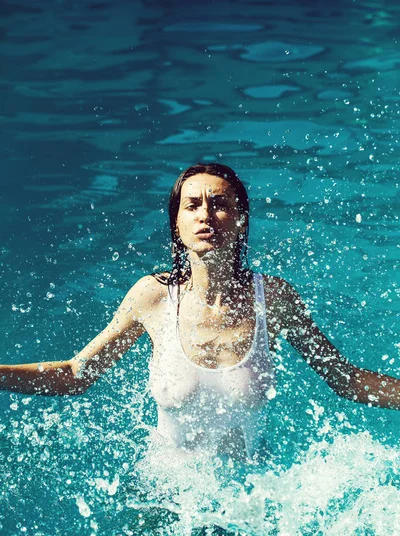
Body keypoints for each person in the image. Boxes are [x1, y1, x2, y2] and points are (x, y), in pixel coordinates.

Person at [1, 163, 399, 460]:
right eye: (192, 205)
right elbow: (75, 375)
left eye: (220, 204)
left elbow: (345, 380)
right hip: (167, 494)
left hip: (251, 495)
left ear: (242, 222)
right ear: (177, 223)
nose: (206, 215)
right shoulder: (151, 297)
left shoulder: (272, 300)